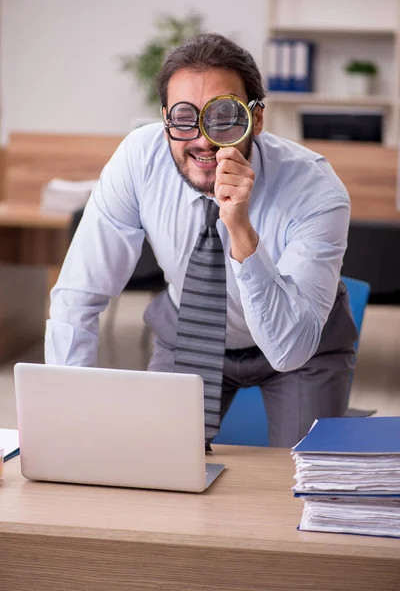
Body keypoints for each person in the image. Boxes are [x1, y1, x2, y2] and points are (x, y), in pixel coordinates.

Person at [45, 33, 357, 447]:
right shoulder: (140, 159)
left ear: (256, 119)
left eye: (224, 115)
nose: (204, 139)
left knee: (304, 485)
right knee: (159, 470)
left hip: (299, 343)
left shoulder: (316, 189)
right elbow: (79, 295)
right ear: (165, 120)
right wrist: (66, 417)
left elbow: (290, 349)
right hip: (189, 330)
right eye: (184, 116)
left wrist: (241, 229)